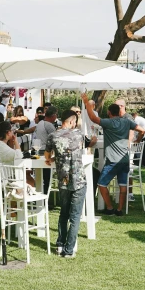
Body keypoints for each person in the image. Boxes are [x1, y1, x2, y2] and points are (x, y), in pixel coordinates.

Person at [83, 94, 144, 216]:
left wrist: (86, 103)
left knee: (101, 184)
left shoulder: (108, 122)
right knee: (122, 184)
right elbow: (142, 130)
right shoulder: (127, 122)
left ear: (109, 112)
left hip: (112, 160)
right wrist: (137, 140)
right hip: (125, 159)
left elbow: (93, 118)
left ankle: (110, 208)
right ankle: (120, 209)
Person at [45, 109, 95, 258]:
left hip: (63, 180)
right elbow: (88, 144)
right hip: (79, 180)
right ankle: (69, 250)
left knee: (63, 214)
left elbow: (47, 157)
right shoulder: (78, 134)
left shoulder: (52, 136)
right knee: (75, 217)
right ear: (72, 122)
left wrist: (54, 159)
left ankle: (60, 244)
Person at [0, 121, 24, 191]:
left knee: (23, 178)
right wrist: (16, 141)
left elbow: (11, 155)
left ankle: (14, 199)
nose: (13, 132)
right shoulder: (0, 146)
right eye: (11, 130)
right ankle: (18, 198)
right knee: (26, 180)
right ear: (8, 133)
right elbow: (19, 155)